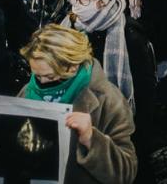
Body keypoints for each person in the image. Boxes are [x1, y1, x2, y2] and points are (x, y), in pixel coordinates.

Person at [19, 24, 137, 184]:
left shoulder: (108, 99)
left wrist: (91, 138)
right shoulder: (27, 92)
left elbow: (126, 173)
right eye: (37, 76)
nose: (42, 84)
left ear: (73, 67)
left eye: (51, 77)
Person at [102, 0, 162, 183]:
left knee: (146, 110)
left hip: (148, 43)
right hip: (121, 46)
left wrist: (146, 29)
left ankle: (145, 165)